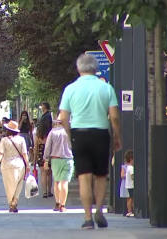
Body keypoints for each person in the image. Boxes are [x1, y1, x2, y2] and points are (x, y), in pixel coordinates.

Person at [58, 53, 121, 229]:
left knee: (84, 178)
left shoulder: (70, 89)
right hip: (100, 134)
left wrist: (70, 134)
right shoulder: (106, 88)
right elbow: (114, 116)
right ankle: (99, 211)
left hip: (79, 134)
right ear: (96, 69)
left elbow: (63, 117)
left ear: (78, 68)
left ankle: (87, 218)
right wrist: (117, 136)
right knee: (101, 176)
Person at [0, 120, 30, 213]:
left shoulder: (4, 140)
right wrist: (28, 165)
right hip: (19, 165)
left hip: (6, 165)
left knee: (9, 185)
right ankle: (14, 201)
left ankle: (11, 203)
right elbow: (24, 153)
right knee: (19, 184)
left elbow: (1, 153)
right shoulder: (21, 139)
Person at [43, 116, 74, 212]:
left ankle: (57, 203)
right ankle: (63, 205)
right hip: (68, 159)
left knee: (57, 181)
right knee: (65, 182)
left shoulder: (53, 132)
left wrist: (46, 160)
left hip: (55, 159)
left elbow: (48, 147)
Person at [34, 121, 53, 199]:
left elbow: (36, 149)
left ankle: (44, 192)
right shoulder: (50, 136)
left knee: (43, 174)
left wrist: (34, 160)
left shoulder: (37, 137)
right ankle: (49, 191)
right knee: (49, 174)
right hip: (49, 156)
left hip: (40, 157)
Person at [124, 150, 134, 217]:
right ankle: (130, 211)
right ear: (131, 160)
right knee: (131, 198)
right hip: (131, 185)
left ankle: (129, 211)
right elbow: (132, 176)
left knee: (128, 198)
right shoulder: (131, 168)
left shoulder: (127, 167)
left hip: (128, 185)